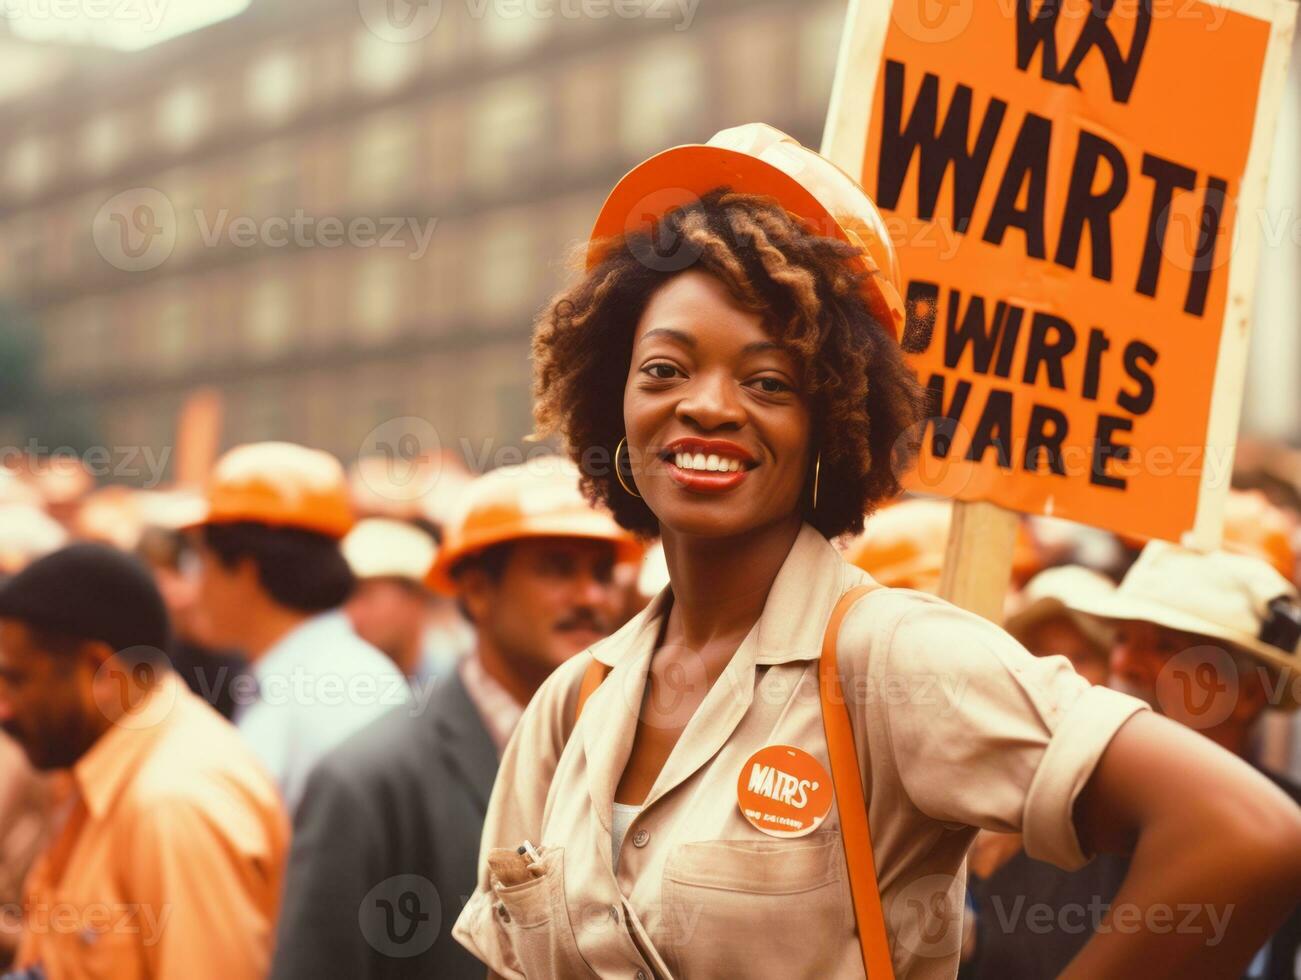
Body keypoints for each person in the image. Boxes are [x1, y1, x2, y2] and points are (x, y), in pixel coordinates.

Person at [451, 123, 1301, 979]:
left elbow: (1244, 835)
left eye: (766, 382)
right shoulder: (569, 706)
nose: (705, 406)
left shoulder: (889, 659)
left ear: (833, 422)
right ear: (613, 407)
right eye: (664, 370)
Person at [269, 459, 641, 980]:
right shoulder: (366, 780)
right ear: (476, 589)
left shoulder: (635, 750)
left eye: (602, 574)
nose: (590, 597)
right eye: (558, 568)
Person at [964, 541, 1301, 979]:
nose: (1125, 663)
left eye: (1164, 646)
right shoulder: (1043, 819)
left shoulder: (1286, 829)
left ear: (1250, 693)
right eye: (1121, 638)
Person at [0, 543, 287, 979]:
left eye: (16, 679)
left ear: (101, 672)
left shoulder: (174, 807)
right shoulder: (102, 761)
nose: (4, 708)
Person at [185, 441, 409, 814]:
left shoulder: (336, 693)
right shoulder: (319, 675)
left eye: (204, 563)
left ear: (245, 571)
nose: (196, 587)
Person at [340, 517, 442, 682]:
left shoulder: (458, 685)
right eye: (346, 599)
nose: (351, 614)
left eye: (366, 595)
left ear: (417, 597)